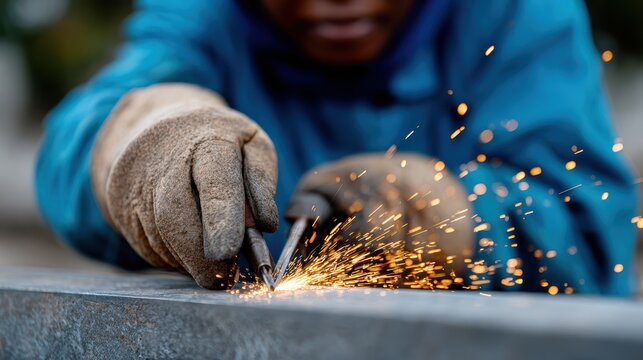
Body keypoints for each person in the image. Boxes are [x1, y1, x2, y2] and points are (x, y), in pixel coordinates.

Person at [35, 0, 637, 294]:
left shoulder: (514, 13)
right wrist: (144, 139)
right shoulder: (204, 14)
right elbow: (80, 137)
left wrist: (457, 222)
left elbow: (592, 225)